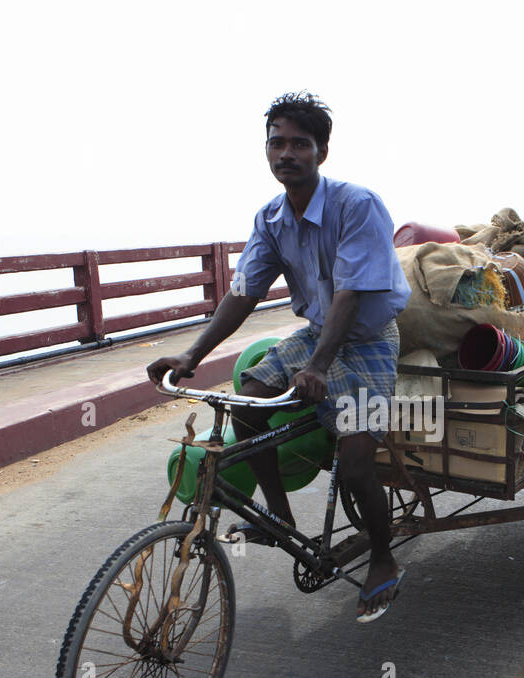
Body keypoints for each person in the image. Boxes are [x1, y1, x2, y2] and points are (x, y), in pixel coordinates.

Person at [145, 92, 410, 623]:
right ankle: (279, 519)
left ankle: (383, 560)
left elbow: (350, 294)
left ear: (322, 152)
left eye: (299, 144)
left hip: (370, 339)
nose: (286, 153)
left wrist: (318, 368)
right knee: (247, 403)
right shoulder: (270, 217)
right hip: (317, 333)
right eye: (277, 143)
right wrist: (192, 353)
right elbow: (243, 290)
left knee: (357, 458)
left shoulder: (357, 205)